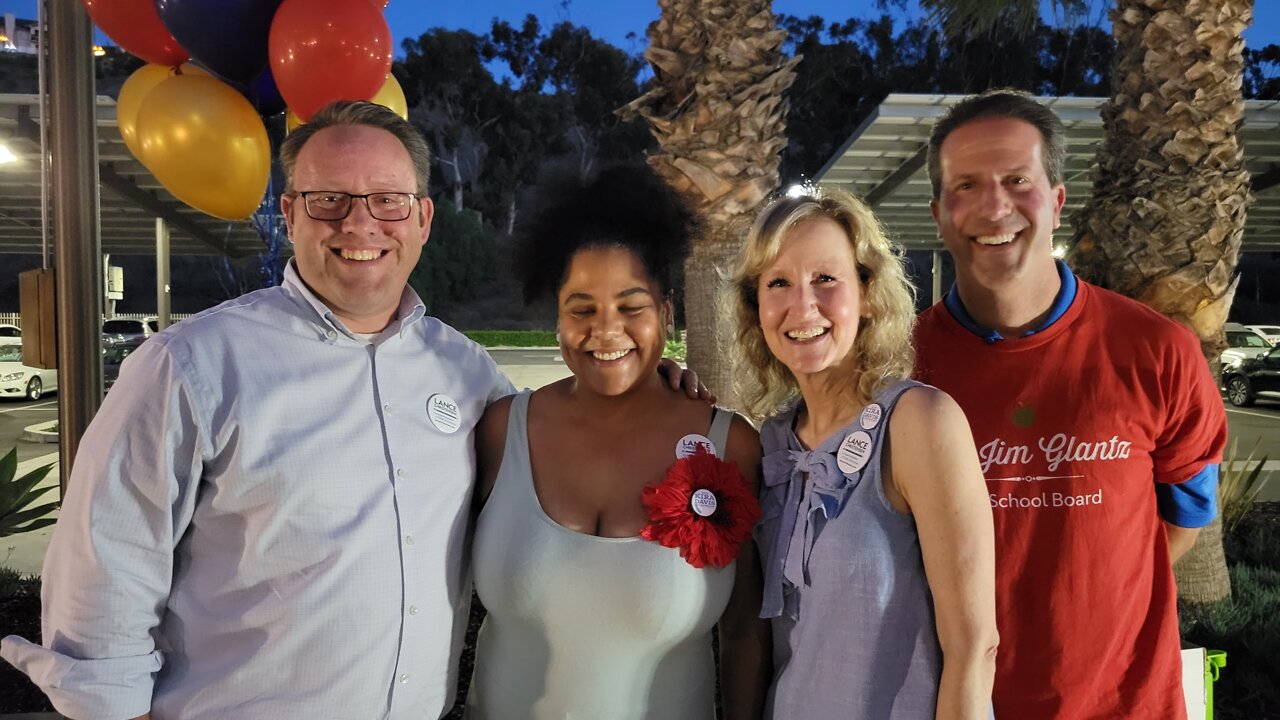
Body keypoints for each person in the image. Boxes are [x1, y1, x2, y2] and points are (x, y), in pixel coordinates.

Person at [0, 101, 701, 720]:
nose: (360, 221)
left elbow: (553, 441)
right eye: (329, 198)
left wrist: (644, 391)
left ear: (423, 217)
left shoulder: (465, 371)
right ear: (290, 213)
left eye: (388, 199)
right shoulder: (191, 366)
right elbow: (107, 565)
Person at [914, 88, 1229, 719]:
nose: (994, 206)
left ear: (1056, 202)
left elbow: (1182, 523)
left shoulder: (1159, 351)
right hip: (955, 705)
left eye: (1017, 179)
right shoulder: (900, 367)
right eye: (966, 186)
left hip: (1126, 704)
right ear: (939, 214)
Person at [467, 165, 771, 719]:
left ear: (667, 314)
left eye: (632, 307)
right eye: (581, 309)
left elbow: (745, 632)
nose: (606, 331)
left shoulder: (730, 446)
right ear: (556, 319)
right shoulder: (500, 430)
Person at [731, 186, 998, 719]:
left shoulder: (918, 422)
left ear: (868, 293)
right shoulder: (771, 445)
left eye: (825, 279)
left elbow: (975, 648)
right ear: (756, 307)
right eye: (778, 283)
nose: (802, 304)